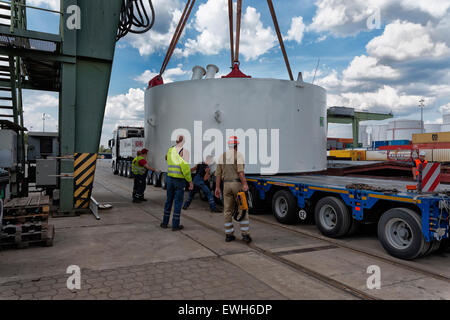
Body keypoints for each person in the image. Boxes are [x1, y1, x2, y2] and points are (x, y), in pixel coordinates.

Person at [215, 136, 252, 243]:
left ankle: (229, 235)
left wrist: (217, 188)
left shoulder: (222, 156)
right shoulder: (238, 155)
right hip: (237, 185)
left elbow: (218, 174)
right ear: (236, 145)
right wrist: (245, 184)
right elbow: (240, 172)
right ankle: (245, 235)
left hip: (226, 185)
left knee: (227, 210)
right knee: (243, 209)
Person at [161, 135, 194, 231]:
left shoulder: (170, 149)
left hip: (169, 178)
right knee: (178, 202)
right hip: (179, 180)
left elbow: (166, 158)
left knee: (168, 200)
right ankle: (175, 225)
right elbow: (186, 169)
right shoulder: (184, 152)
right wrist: (190, 181)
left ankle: (164, 222)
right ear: (183, 142)